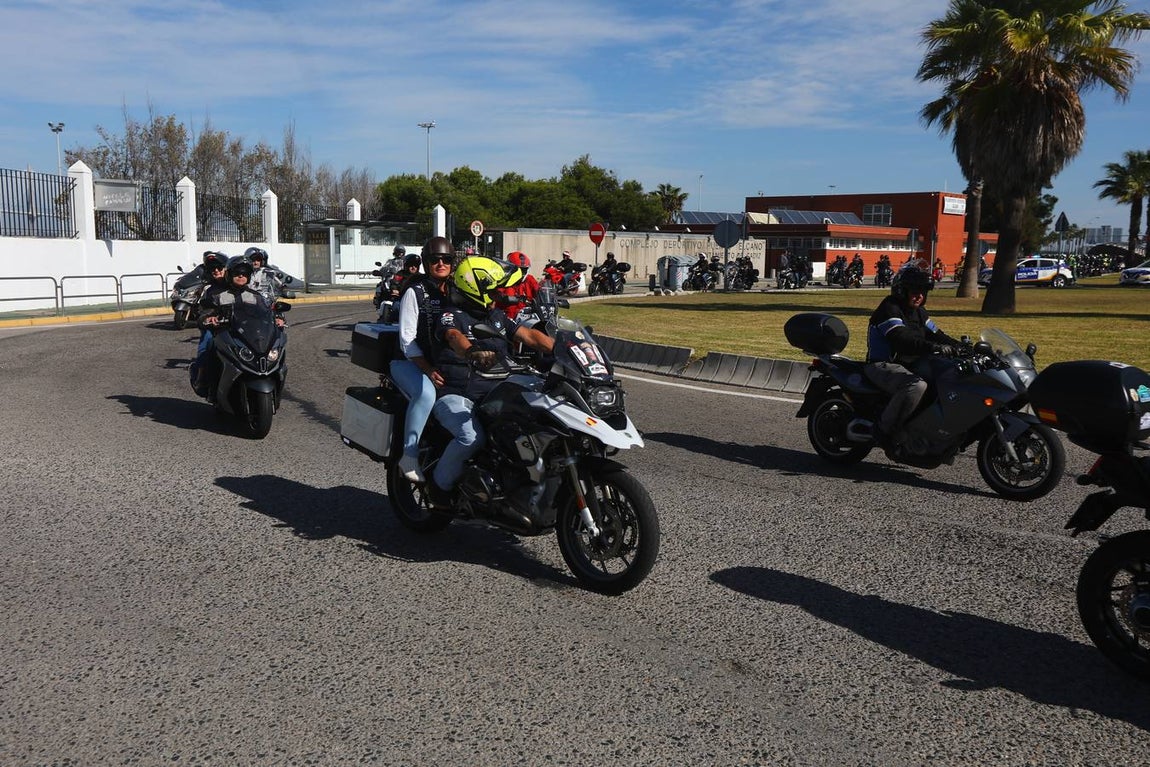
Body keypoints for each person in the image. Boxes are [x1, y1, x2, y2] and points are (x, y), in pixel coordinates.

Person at [423, 256, 554, 509]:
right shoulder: (452, 315)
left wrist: (563, 348)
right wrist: (471, 352)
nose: (499, 292)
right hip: (458, 393)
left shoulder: (495, 316)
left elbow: (529, 335)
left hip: (497, 390)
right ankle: (438, 488)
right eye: (493, 288)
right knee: (470, 437)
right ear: (477, 287)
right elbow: (453, 336)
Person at [865, 267, 963, 446]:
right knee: (916, 386)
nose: (919, 296)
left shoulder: (919, 312)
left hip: (910, 364)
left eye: (923, 292)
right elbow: (901, 339)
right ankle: (884, 431)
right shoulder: (890, 309)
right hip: (882, 365)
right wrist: (933, 347)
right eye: (915, 291)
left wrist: (960, 346)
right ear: (902, 290)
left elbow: (936, 333)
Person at [390, 236, 455, 483]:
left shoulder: (456, 291)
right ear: (427, 263)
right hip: (408, 363)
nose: (441, 263)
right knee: (426, 394)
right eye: (434, 259)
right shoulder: (414, 293)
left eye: (446, 259)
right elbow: (407, 340)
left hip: (440, 363)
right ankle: (409, 454)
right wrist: (427, 369)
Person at [193, 255, 284, 396]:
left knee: (275, 344)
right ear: (229, 274)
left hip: (247, 334)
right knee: (209, 348)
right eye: (237, 273)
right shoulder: (218, 294)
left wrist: (277, 318)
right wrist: (209, 318)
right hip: (227, 333)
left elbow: (266, 312)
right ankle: (205, 382)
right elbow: (205, 311)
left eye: (244, 273)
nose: (241, 276)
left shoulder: (254, 296)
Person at [496, 251, 539, 321]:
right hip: (507, 320)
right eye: (520, 269)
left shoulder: (530, 279)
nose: (522, 273)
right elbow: (498, 297)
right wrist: (511, 298)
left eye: (524, 269)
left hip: (527, 318)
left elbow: (538, 290)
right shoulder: (504, 281)